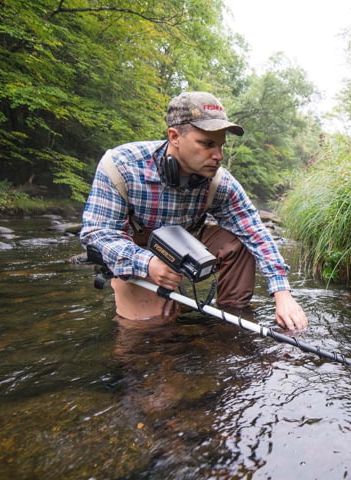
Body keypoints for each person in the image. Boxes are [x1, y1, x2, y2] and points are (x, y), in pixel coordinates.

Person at [80, 91, 309, 331]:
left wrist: (282, 293)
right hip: (137, 253)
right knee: (153, 327)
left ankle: (231, 321)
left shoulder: (220, 183)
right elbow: (96, 234)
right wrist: (147, 263)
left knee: (239, 241)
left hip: (187, 244)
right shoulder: (120, 166)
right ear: (174, 136)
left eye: (221, 145)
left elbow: (256, 233)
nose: (218, 155)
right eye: (207, 144)